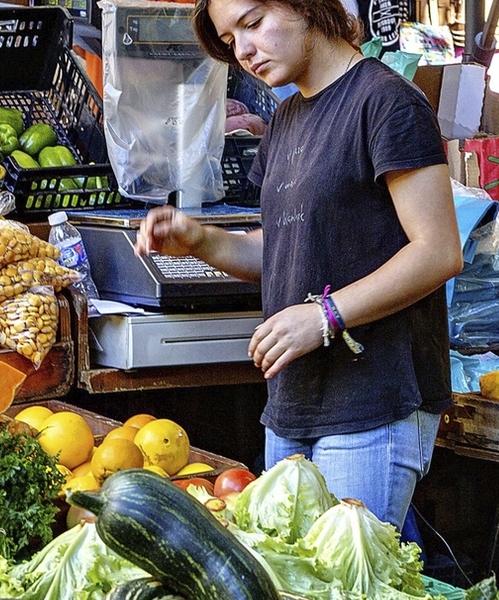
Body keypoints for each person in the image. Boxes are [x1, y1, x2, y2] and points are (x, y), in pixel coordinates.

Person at [142, 0, 462, 529]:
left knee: (348, 583)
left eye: (252, 23)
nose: (243, 50)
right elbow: (281, 249)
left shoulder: (387, 104)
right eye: (229, 39)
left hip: (373, 402)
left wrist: (323, 317)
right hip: (294, 401)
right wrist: (200, 239)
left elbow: (438, 250)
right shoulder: (288, 118)